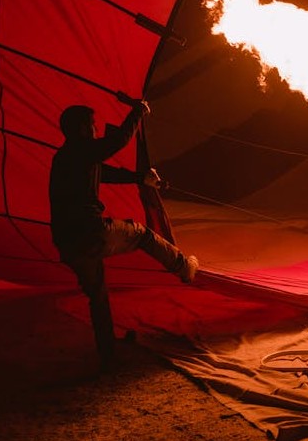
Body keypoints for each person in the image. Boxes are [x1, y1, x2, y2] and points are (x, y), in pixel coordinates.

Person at [49, 100, 198, 369]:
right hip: (91, 235)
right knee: (141, 233)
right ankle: (183, 266)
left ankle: (108, 354)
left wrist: (140, 178)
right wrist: (138, 111)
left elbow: (105, 172)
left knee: (98, 294)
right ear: (83, 129)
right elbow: (116, 142)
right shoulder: (82, 151)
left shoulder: (68, 158)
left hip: (68, 244)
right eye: (93, 124)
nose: (96, 129)